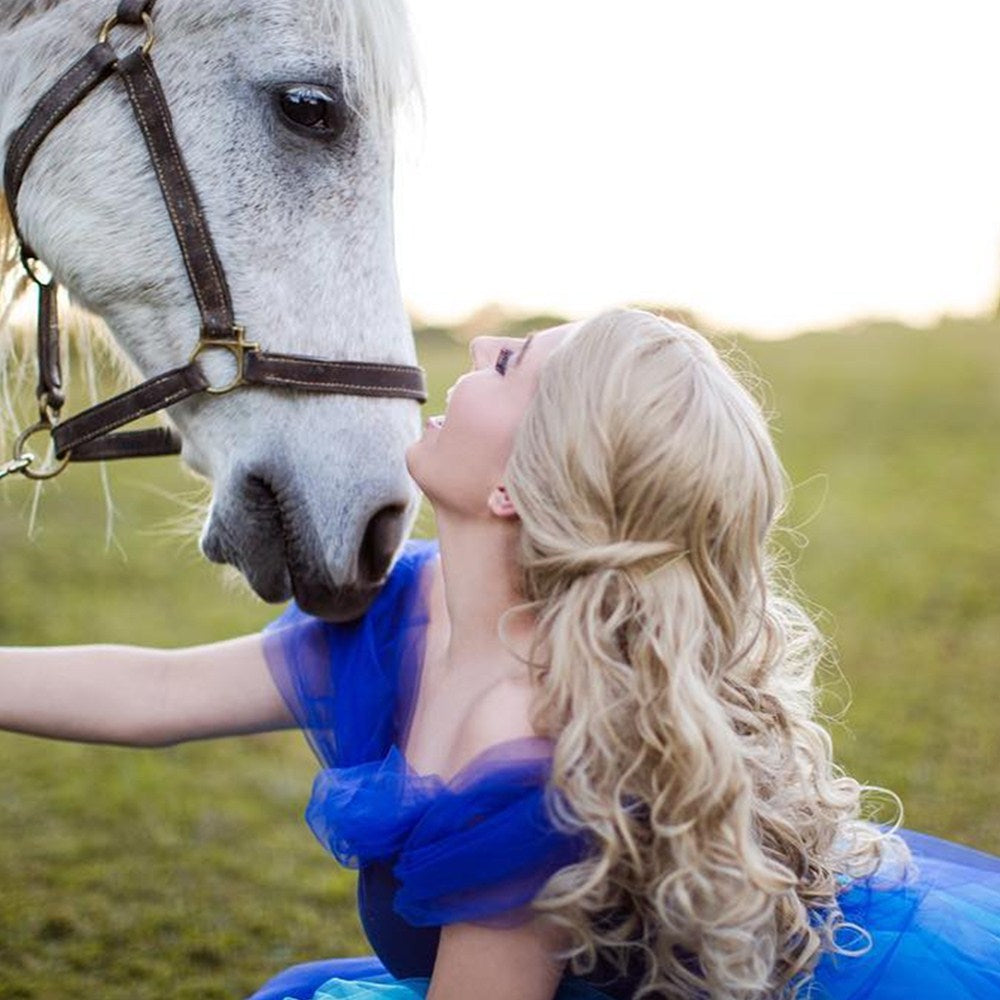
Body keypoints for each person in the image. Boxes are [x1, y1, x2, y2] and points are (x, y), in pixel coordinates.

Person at [1, 308, 998, 999]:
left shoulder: (528, 758)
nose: (477, 341)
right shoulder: (414, 604)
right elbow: (158, 688)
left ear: (522, 485)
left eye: (510, 364)